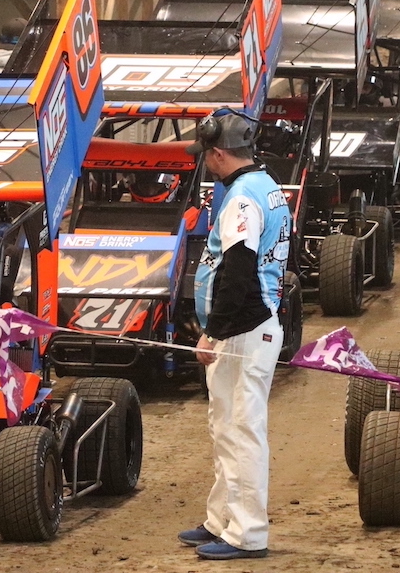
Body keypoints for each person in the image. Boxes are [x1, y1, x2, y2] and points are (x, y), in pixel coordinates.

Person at [177, 111, 291, 561]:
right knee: (226, 428)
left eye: (204, 153)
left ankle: (247, 535)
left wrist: (213, 333)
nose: (203, 160)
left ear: (218, 153)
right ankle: (221, 520)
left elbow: (239, 271)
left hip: (243, 331)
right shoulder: (267, 185)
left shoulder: (242, 197)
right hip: (252, 327)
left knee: (240, 432)